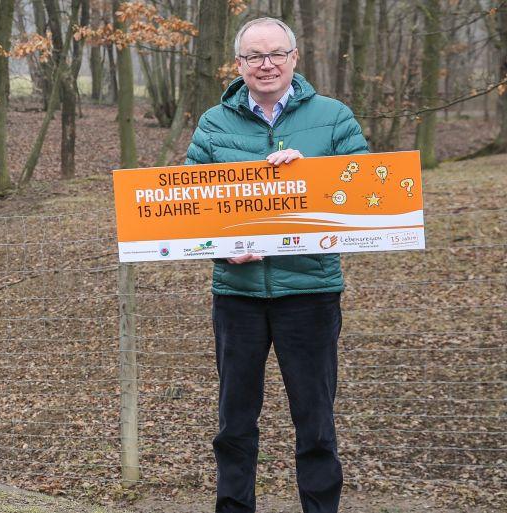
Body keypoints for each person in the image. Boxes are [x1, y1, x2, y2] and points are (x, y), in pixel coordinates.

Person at [184, 17, 369, 513]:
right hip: (237, 294)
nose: (265, 65)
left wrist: (309, 175)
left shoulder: (333, 117)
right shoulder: (213, 123)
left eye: (275, 54)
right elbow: (185, 205)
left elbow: (366, 193)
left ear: (293, 58)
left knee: (315, 421)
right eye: (253, 57)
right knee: (234, 422)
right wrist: (221, 249)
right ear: (238, 64)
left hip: (310, 292)